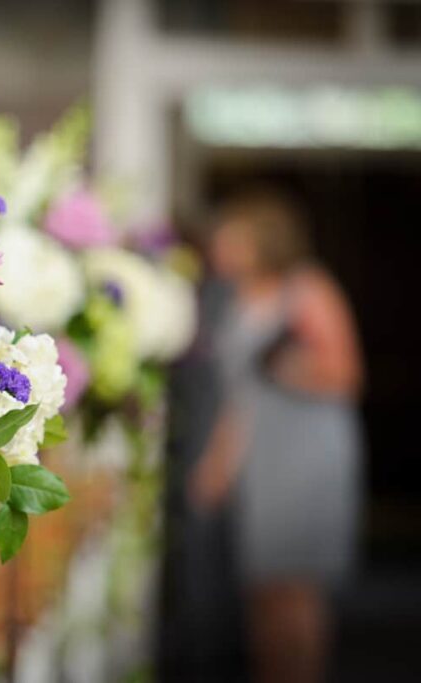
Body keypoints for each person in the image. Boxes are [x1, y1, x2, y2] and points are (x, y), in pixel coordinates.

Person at [190, 188, 363, 683]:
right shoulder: (233, 298)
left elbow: (346, 374)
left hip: (306, 451)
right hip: (260, 453)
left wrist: (283, 365)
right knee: (261, 585)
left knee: (297, 589)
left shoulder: (307, 289)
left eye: (231, 239)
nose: (220, 249)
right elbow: (236, 395)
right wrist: (218, 464)